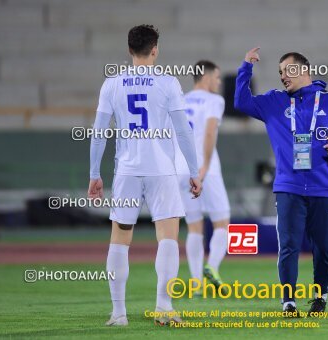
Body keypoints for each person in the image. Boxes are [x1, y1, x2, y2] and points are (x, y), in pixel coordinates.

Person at [87, 25, 202, 326]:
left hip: (127, 170)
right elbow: (182, 131)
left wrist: (94, 173)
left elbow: (99, 133)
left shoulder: (111, 84)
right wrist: (194, 170)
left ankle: (118, 313)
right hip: (162, 170)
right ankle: (164, 308)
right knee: (167, 238)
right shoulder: (168, 84)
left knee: (119, 240)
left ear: (129, 50)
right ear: (155, 50)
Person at [234, 48, 328, 316]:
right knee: (289, 246)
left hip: (325, 188)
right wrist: (246, 67)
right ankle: (288, 302)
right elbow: (241, 102)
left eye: (288, 70)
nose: (282, 76)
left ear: (304, 69)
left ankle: (320, 296)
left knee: (325, 248)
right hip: (288, 187)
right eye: (279, 72)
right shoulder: (273, 102)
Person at [173, 60, 231, 292]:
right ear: (206, 78)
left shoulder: (180, 100)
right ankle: (213, 267)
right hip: (205, 168)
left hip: (180, 167)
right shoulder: (215, 100)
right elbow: (209, 131)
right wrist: (204, 165)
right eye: (216, 77)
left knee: (194, 227)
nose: (218, 82)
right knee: (222, 222)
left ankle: (196, 283)